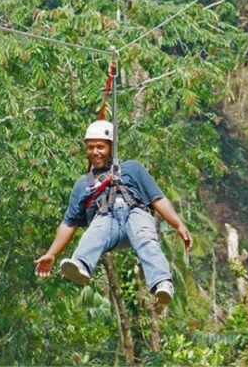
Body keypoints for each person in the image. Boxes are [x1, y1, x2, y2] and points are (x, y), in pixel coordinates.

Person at [34, 120, 192, 308]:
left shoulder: (132, 169)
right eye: (90, 147)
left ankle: (161, 283)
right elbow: (69, 223)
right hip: (108, 224)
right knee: (96, 230)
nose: (95, 152)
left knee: (144, 237)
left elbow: (158, 199)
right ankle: (81, 265)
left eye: (100, 147)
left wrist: (178, 225)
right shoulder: (84, 184)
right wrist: (52, 254)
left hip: (135, 216)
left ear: (111, 147)